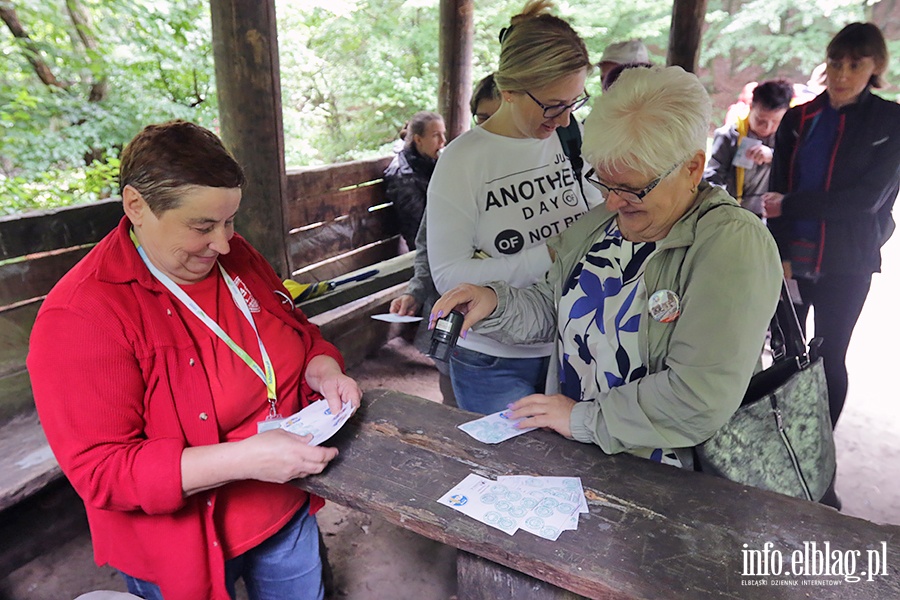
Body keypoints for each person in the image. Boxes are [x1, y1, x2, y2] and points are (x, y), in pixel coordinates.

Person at [27, 120, 362, 600]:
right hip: (186, 544)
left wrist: (322, 368)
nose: (224, 243)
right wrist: (244, 459)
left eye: (230, 221)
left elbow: (296, 333)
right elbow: (102, 472)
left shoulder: (232, 255)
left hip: (285, 504)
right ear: (136, 206)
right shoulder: (83, 314)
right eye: (202, 226)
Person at [432, 66, 782, 469]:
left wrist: (581, 418)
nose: (613, 203)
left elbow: (697, 396)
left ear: (692, 167)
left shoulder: (731, 245)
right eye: (604, 182)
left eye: (632, 189)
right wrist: (494, 302)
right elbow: (553, 306)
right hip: (583, 458)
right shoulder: (600, 223)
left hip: (666, 477)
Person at [426, 0, 603, 415]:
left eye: (573, 103)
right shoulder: (463, 160)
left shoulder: (571, 138)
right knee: (511, 472)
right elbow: (450, 276)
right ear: (508, 89)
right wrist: (549, 255)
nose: (562, 120)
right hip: (491, 358)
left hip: (573, 345)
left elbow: (600, 219)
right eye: (552, 105)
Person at [763, 22, 900, 429]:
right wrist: (780, 255)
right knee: (785, 350)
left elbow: (866, 201)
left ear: (875, 67)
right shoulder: (798, 118)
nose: (842, 75)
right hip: (792, 257)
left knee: (830, 354)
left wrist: (792, 204)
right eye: (836, 62)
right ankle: (778, 437)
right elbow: (774, 198)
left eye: (856, 65)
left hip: (849, 261)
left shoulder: (890, 121)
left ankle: (820, 445)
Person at [391, 74, 502, 407]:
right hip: (454, 321)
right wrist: (417, 289)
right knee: (454, 409)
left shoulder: (544, 164)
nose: (494, 130)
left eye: (503, 119)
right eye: (484, 119)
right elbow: (429, 242)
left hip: (516, 332)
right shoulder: (457, 163)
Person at [704, 79, 794, 217]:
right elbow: (712, 176)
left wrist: (773, 157)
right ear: (751, 107)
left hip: (772, 217)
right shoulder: (729, 136)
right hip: (733, 212)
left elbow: (797, 171)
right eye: (761, 120)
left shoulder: (789, 139)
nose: (767, 127)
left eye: (776, 121)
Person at [384, 111, 446, 250]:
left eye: (443, 134)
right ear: (418, 140)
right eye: (436, 135)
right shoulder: (403, 175)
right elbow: (418, 229)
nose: (443, 141)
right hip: (426, 248)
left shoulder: (430, 162)